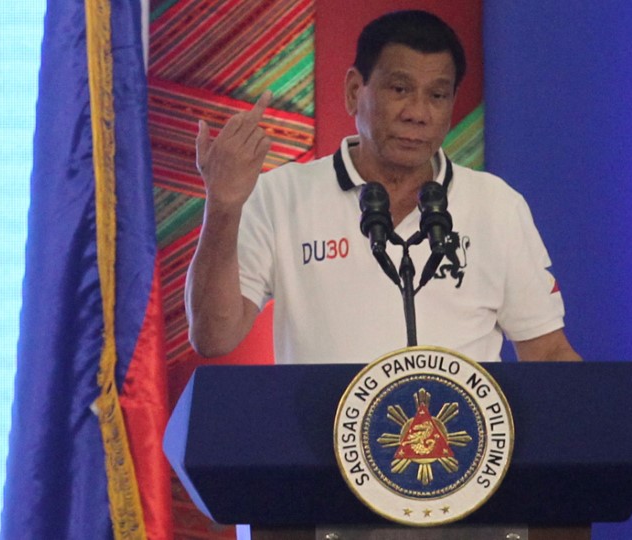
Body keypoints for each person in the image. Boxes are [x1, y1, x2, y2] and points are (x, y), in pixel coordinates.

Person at [186, 9, 581, 364]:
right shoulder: (279, 196)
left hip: (460, 441)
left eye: (437, 96)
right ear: (355, 91)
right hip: (323, 443)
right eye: (400, 89)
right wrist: (223, 204)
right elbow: (214, 336)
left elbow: (547, 351)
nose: (418, 114)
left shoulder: (497, 205)